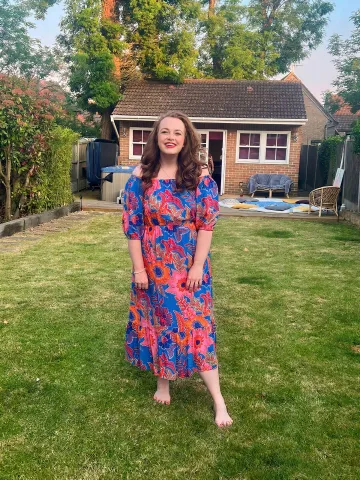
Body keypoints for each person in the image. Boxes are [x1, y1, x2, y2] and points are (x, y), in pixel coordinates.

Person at [122, 111, 232, 428]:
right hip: (154, 266)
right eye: (165, 132)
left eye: (178, 133)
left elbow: (206, 225)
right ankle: (163, 384)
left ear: (186, 140)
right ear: (156, 137)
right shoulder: (140, 175)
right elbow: (133, 227)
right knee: (159, 322)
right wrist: (138, 270)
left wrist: (198, 265)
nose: (171, 137)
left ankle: (218, 400)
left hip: (188, 266)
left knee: (198, 326)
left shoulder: (198, 175)